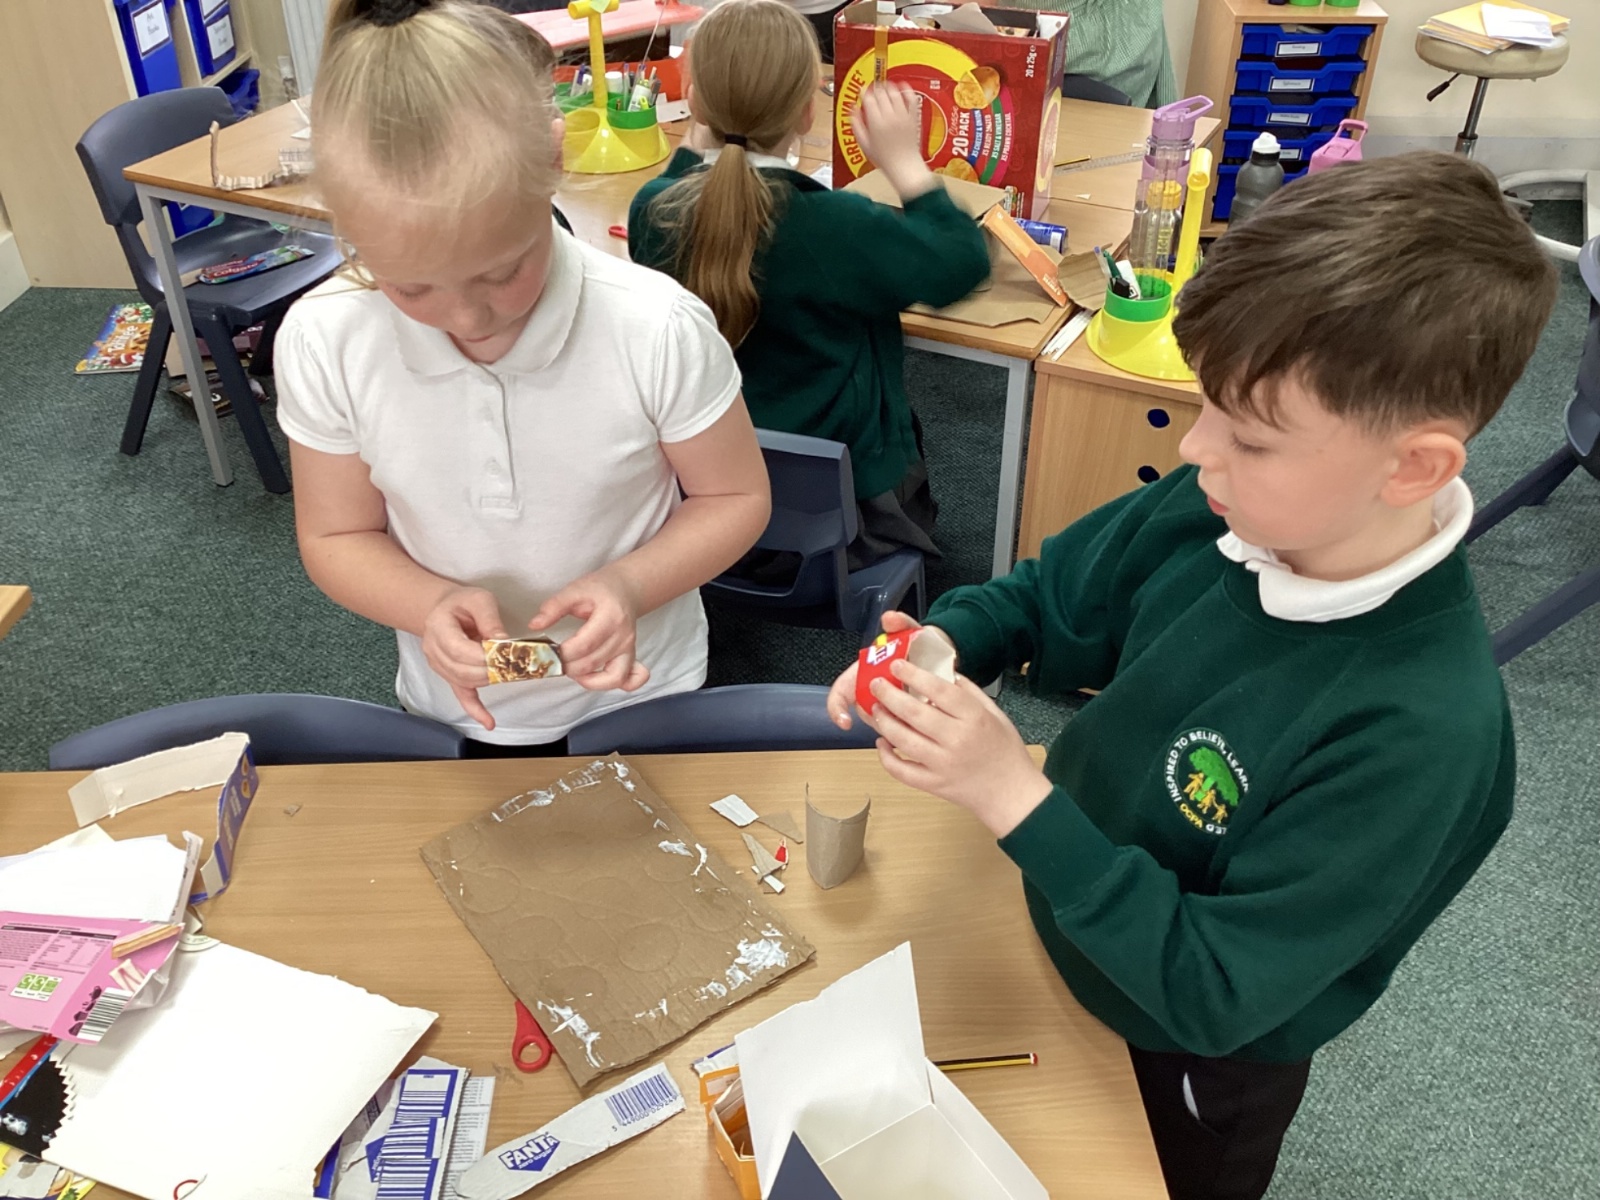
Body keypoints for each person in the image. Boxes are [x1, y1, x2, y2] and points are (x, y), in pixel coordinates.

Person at [824, 153, 1558, 1200]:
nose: (1195, 450)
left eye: (1249, 437)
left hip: (1185, 1059)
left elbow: (1216, 991)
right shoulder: (1225, 506)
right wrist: (941, 649)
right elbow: (1046, 598)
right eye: (1205, 403)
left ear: (1412, 468)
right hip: (1056, 903)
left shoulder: (1422, 730)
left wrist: (1011, 795)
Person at [274, 0, 770, 753]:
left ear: (554, 158)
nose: (466, 317)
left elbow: (734, 496)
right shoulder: (325, 338)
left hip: (646, 693)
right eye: (410, 287)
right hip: (452, 707)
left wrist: (630, 585)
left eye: (502, 272)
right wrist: (427, 603)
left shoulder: (656, 327)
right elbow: (336, 533)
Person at [629, 0, 989, 576]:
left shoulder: (653, 210)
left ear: (692, 99)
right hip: (840, 525)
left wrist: (690, 151)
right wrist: (905, 164)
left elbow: (682, 191)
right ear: (806, 114)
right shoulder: (835, 225)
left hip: (701, 506)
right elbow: (961, 263)